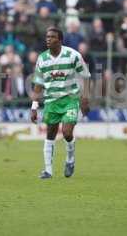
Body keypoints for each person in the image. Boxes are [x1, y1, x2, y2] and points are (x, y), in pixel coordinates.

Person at [31, 27, 91, 179]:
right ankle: (48, 171)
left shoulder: (72, 55)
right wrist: (34, 106)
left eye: (52, 37)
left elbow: (85, 76)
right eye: (47, 36)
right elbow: (38, 84)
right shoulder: (42, 59)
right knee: (50, 134)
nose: (48, 39)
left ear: (60, 40)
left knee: (67, 132)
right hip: (51, 101)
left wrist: (85, 98)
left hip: (70, 99)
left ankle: (70, 159)